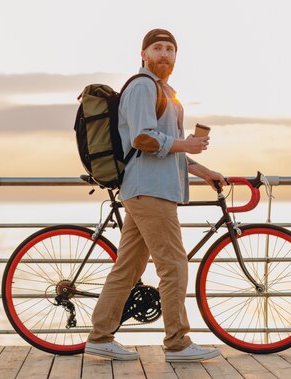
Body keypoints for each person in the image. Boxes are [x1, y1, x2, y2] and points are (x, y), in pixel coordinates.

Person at [84, 29, 226, 362]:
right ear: (143, 54)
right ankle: (177, 343)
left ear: (176, 57)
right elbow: (143, 139)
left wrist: (203, 170)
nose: (164, 54)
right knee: (174, 265)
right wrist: (185, 143)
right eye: (157, 48)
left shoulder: (165, 92)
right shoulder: (142, 87)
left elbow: (169, 146)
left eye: (170, 49)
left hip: (151, 189)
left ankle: (100, 337)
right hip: (149, 190)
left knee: (128, 269)